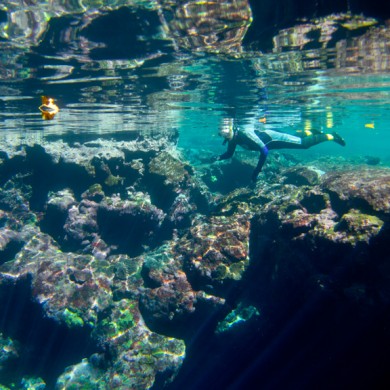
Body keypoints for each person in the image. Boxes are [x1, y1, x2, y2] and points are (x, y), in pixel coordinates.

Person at [215, 118, 346, 182]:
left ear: (233, 128)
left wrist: (256, 171)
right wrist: (217, 158)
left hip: (274, 139)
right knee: (293, 137)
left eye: (226, 132)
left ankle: (332, 136)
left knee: (303, 144)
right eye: (222, 135)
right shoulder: (232, 139)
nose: (225, 136)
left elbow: (264, 150)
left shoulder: (245, 134)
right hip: (273, 141)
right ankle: (311, 131)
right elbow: (229, 154)